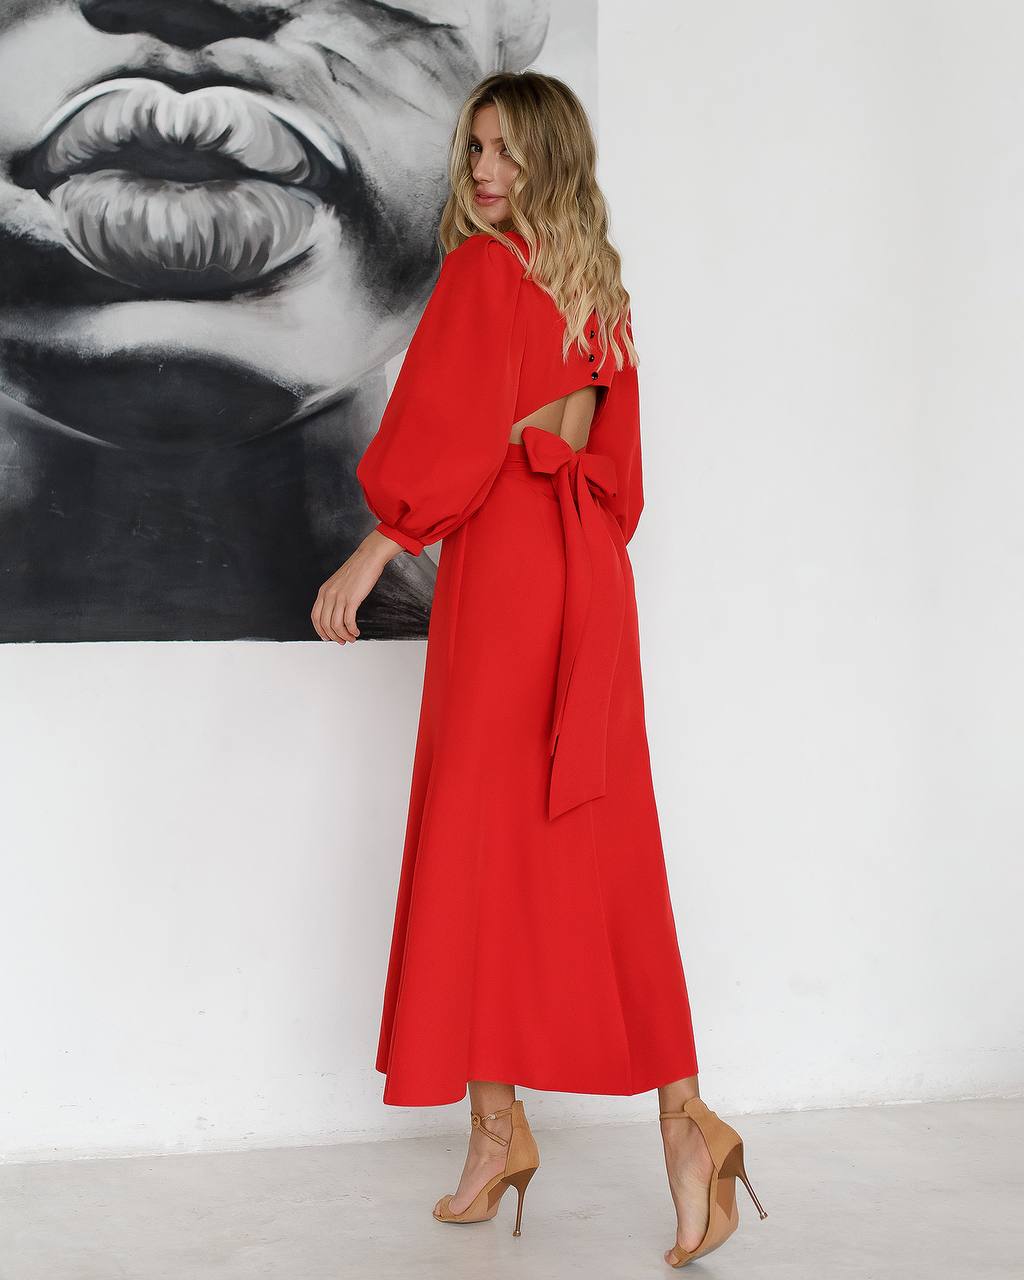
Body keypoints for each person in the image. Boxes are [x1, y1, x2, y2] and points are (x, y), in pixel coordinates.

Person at [311, 71, 767, 1269]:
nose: (483, 173)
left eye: (505, 150)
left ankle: (499, 1127)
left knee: (478, 841)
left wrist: (372, 552)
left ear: (549, 155)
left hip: (512, 577)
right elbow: (613, 477)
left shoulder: (479, 274)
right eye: (473, 152)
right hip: (586, 582)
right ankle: (683, 1124)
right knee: (599, 845)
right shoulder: (596, 291)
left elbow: (453, 437)